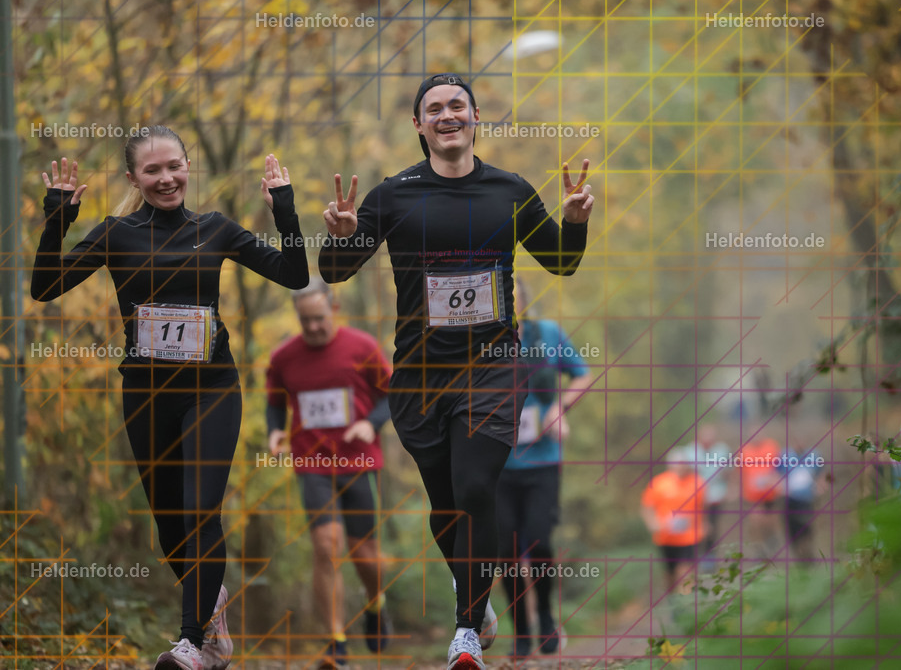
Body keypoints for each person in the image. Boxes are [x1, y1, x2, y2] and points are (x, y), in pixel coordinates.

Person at [317, 72, 593, 670]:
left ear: (474, 119)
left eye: (457, 105)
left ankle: (466, 631)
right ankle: (478, 596)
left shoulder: (511, 191)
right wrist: (337, 237)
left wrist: (573, 220)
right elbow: (336, 272)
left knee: (474, 489)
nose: (447, 114)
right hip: (419, 376)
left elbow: (562, 262)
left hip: (493, 368)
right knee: (446, 504)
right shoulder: (393, 195)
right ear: (419, 125)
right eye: (434, 108)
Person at [30, 127, 309, 670]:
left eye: (175, 166)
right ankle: (213, 607)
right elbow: (44, 286)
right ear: (133, 178)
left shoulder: (216, 229)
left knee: (202, 509)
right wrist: (57, 220)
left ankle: (191, 641)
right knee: (170, 526)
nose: (166, 179)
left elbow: (295, 275)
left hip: (211, 389)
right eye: (152, 171)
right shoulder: (116, 234)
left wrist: (286, 213)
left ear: (188, 166)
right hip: (146, 394)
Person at [265, 279, 393, 668]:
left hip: (357, 461)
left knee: (364, 554)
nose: (314, 328)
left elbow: (393, 394)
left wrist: (371, 423)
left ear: (334, 309)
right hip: (313, 463)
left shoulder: (363, 347)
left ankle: (375, 603)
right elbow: (274, 402)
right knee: (326, 547)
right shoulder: (284, 357)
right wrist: (275, 431)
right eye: (306, 322)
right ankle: (335, 642)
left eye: (319, 319)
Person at [495, 280, 591, 659]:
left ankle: (547, 617)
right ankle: (520, 629)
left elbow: (582, 373)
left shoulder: (548, 334)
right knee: (504, 551)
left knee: (540, 542)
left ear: (522, 298)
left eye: (510, 293)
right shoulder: (478, 342)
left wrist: (560, 408)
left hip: (543, 462)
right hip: (498, 465)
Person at [641, 449, 706, 595]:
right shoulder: (658, 483)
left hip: (690, 537)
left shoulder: (697, 482)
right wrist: (654, 524)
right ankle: (673, 602)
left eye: (683, 463)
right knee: (670, 574)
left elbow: (703, 507)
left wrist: (704, 525)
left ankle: (686, 607)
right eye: (677, 464)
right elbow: (646, 508)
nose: (680, 467)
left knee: (684, 572)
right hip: (666, 538)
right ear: (669, 465)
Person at [675, 426, 730, 570]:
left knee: (711, 525)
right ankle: (693, 557)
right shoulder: (689, 451)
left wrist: (730, 488)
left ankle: (709, 556)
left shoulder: (722, 450)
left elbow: (728, 471)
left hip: (715, 495)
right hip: (694, 496)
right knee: (694, 526)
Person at [779, 439, 826, 563]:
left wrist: (822, 485)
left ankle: (808, 560)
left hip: (807, 501)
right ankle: (801, 561)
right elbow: (775, 474)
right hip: (790, 501)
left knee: (805, 533)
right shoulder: (785, 456)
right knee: (792, 535)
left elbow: (827, 475)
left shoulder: (814, 456)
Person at [738, 437, 782, 559]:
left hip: (770, 494)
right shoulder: (743, 450)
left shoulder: (772, 446)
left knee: (769, 523)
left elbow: (779, 467)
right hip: (753, 495)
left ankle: (771, 539)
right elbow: (739, 472)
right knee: (756, 522)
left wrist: (778, 480)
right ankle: (759, 550)